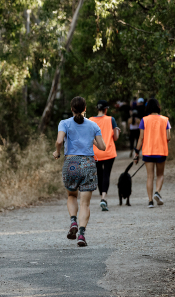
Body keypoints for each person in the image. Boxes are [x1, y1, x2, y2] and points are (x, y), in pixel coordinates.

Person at [54, 96, 106, 247]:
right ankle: (81, 235)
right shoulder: (93, 125)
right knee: (85, 204)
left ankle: (73, 222)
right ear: (85, 109)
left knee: (71, 195)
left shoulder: (64, 123)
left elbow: (59, 141)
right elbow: (102, 147)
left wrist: (57, 152)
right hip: (88, 165)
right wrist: (92, 139)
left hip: (71, 164)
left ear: (71, 109)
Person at [133, 98, 171, 208]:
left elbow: (141, 138)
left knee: (150, 176)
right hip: (161, 151)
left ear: (148, 108)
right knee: (160, 174)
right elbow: (168, 137)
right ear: (158, 107)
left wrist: (136, 152)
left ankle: (150, 201)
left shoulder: (144, 120)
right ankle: (157, 192)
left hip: (148, 152)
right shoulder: (165, 120)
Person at [90, 100, 121, 212]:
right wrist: (117, 131)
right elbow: (116, 138)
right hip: (109, 152)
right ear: (106, 109)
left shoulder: (90, 120)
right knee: (106, 174)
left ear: (97, 109)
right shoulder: (111, 119)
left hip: (95, 152)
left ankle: (102, 197)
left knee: (99, 175)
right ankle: (103, 197)